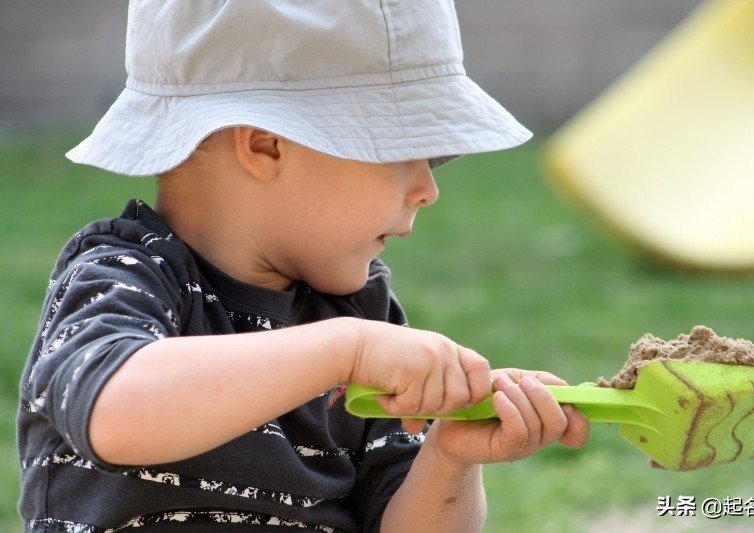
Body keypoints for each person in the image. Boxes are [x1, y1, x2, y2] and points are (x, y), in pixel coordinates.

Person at [17, 1, 589, 531]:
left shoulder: (361, 316)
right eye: (403, 150)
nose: (428, 188)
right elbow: (117, 414)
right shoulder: (123, 275)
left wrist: (448, 456)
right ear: (266, 144)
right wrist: (343, 351)